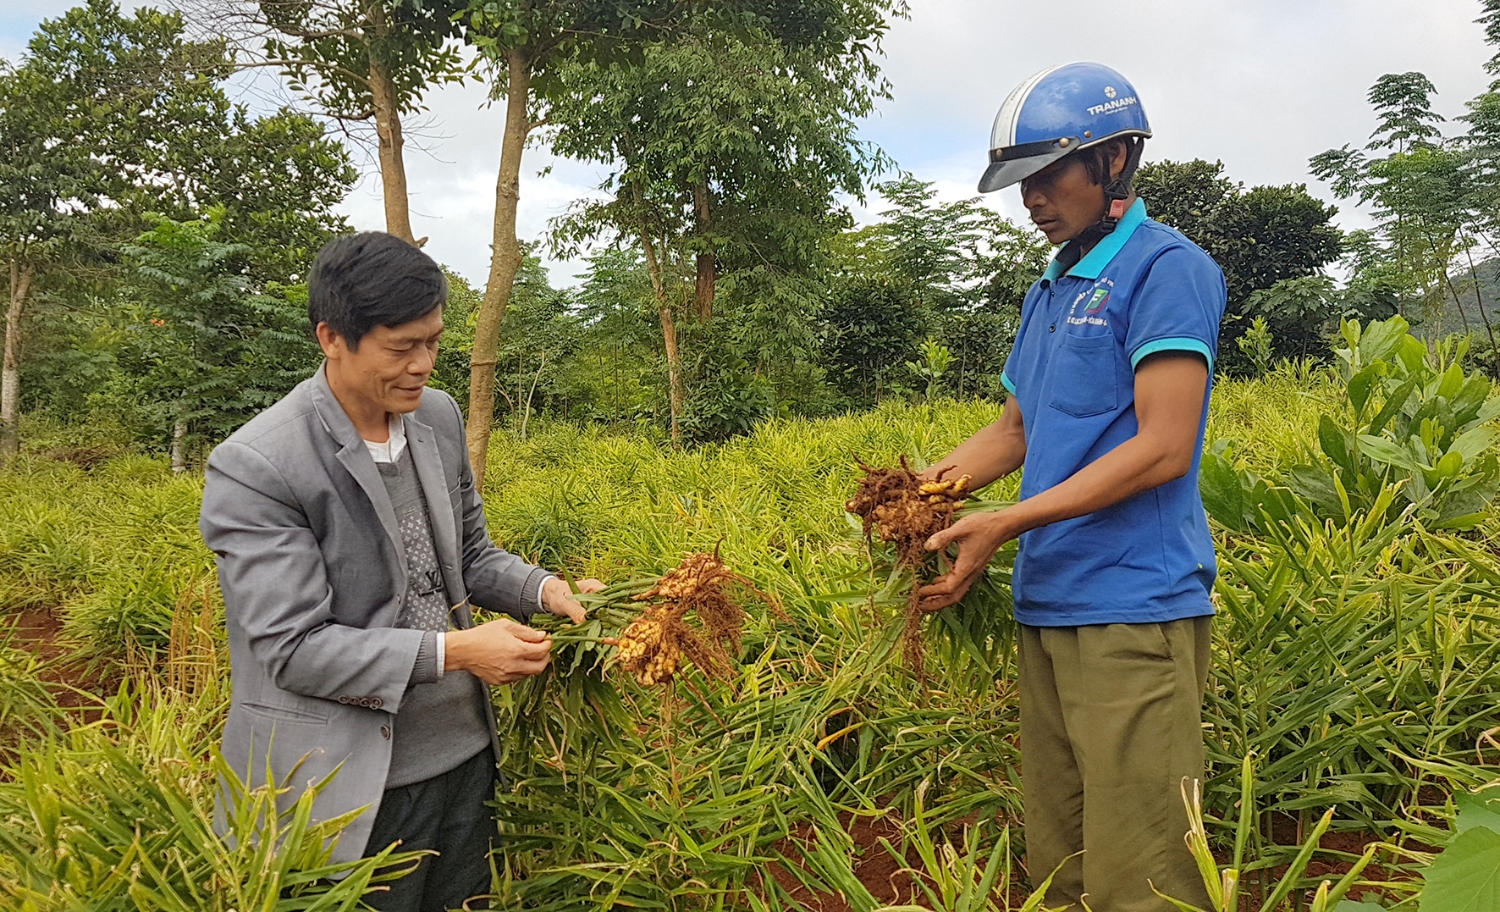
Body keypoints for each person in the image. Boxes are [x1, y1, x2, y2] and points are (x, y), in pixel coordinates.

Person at [199, 232, 602, 912]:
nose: (423, 365)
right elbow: (294, 649)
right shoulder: (260, 466)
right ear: (332, 337)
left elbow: (469, 557)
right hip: (349, 786)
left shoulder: (436, 420)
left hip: (464, 760)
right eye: (401, 347)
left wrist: (545, 590)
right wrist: (459, 651)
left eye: (434, 343)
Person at [916, 63, 1224, 909]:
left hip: (1133, 608)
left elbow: (1164, 447)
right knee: (1062, 857)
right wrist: (921, 496)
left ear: (1117, 158)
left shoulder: (1168, 270)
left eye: (1049, 176)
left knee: (1147, 870)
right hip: (1049, 604)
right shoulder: (1050, 285)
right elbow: (1015, 431)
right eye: (1022, 183)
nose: (1032, 200)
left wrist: (1007, 521)